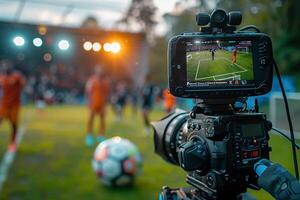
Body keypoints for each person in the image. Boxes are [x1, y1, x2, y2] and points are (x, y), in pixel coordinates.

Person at [0, 64, 26, 152]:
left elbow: (23, 84)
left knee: (14, 124)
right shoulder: (2, 78)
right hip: (4, 105)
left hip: (14, 105)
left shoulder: (17, 76)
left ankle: (12, 143)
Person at [85, 67, 110, 147]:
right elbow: (88, 91)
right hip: (93, 103)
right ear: (96, 72)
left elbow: (106, 93)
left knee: (102, 119)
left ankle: (101, 135)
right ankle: (89, 136)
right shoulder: (91, 80)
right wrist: (89, 102)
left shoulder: (105, 81)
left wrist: (105, 104)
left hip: (102, 103)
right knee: (91, 119)